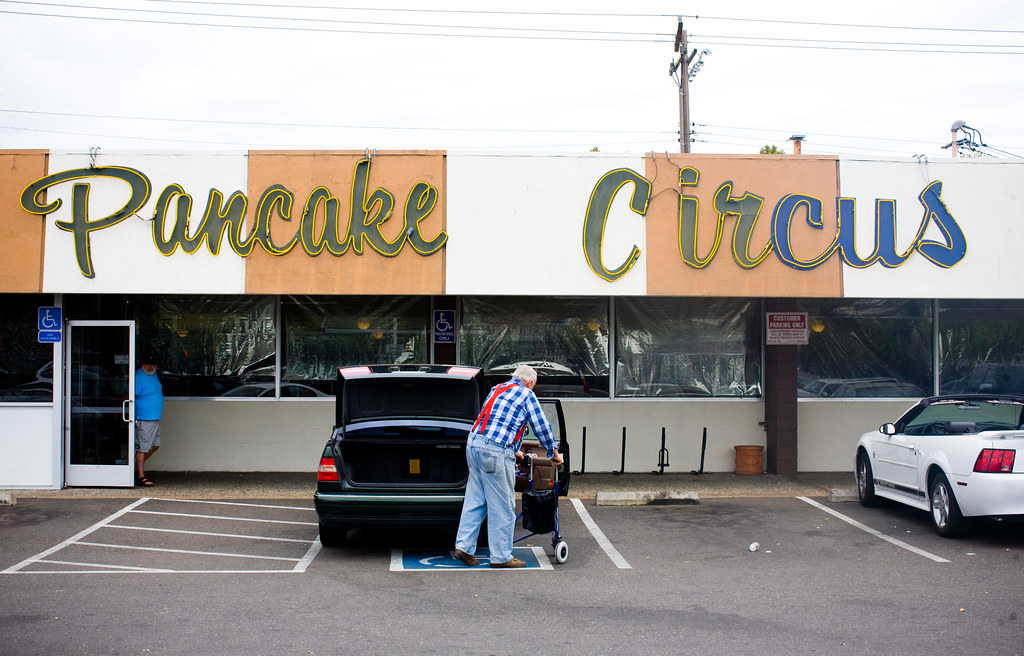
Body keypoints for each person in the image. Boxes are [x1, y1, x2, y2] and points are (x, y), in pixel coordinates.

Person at [452, 364, 563, 568]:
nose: (533, 389)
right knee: (503, 505)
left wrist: (514, 450)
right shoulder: (527, 395)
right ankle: (502, 556)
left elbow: (497, 423)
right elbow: (541, 426)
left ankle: (464, 547)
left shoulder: (498, 389)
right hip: (494, 451)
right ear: (529, 382)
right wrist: (553, 453)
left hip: (474, 445)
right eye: (534, 385)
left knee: (476, 499)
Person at [134, 353, 163, 487]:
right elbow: (129, 395)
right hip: (144, 418)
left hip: (154, 417)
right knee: (143, 447)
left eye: (152, 364)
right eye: (147, 364)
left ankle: (133, 469)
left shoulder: (153, 374)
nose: (150, 366)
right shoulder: (139, 376)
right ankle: (140, 476)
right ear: (142, 364)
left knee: (155, 444)